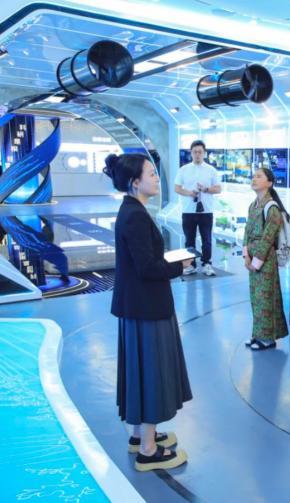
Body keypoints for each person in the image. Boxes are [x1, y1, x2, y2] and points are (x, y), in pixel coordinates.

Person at [106, 153, 191, 472]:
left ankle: (140, 434)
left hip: (138, 305)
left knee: (140, 372)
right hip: (146, 307)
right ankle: (148, 450)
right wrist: (179, 266)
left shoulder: (132, 210)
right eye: (151, 173)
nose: (157, 178)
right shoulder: (136, 216)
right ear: (134, 182)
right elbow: (147, 268)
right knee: (152, 374)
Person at [243, 168, 290, 350]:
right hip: (253, 257)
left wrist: (255, 262)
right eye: (253, 176)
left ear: (269, 183)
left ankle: (267, 338)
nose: (254, 179)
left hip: (265, 259)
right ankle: (258, 334)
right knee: (255, 297)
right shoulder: (253, 205)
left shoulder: (272, 207)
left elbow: (268, 237)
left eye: (259, 176)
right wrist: (246, 255)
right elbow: (247, 232)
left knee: (265, 298)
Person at [174, 140, 221, 277]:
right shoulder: (183, 169)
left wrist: (206, 189)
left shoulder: (211, 170)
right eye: (195, 152)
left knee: (207, 239)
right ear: (191, 153)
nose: (197, 154)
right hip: (188, 210)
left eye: (200, 152)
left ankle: (207, 264)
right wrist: (189, 193)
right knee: (189, 239)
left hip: (206, 210)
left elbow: (218, 189)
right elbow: (177, 188)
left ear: (204, 153)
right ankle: (190, 265)